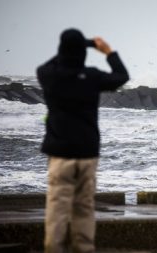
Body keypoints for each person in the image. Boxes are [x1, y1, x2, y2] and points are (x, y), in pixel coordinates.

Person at [37, 28, 129, 253]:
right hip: (87, 153)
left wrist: (76, 46)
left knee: (57, 208)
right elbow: (121, 76)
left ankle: (53, 249)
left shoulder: (50, 76)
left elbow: (45, 67)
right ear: (82, 53)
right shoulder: (92, 76)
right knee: (84, 208)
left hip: (61, 154)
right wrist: (107, 51)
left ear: (61, 50)